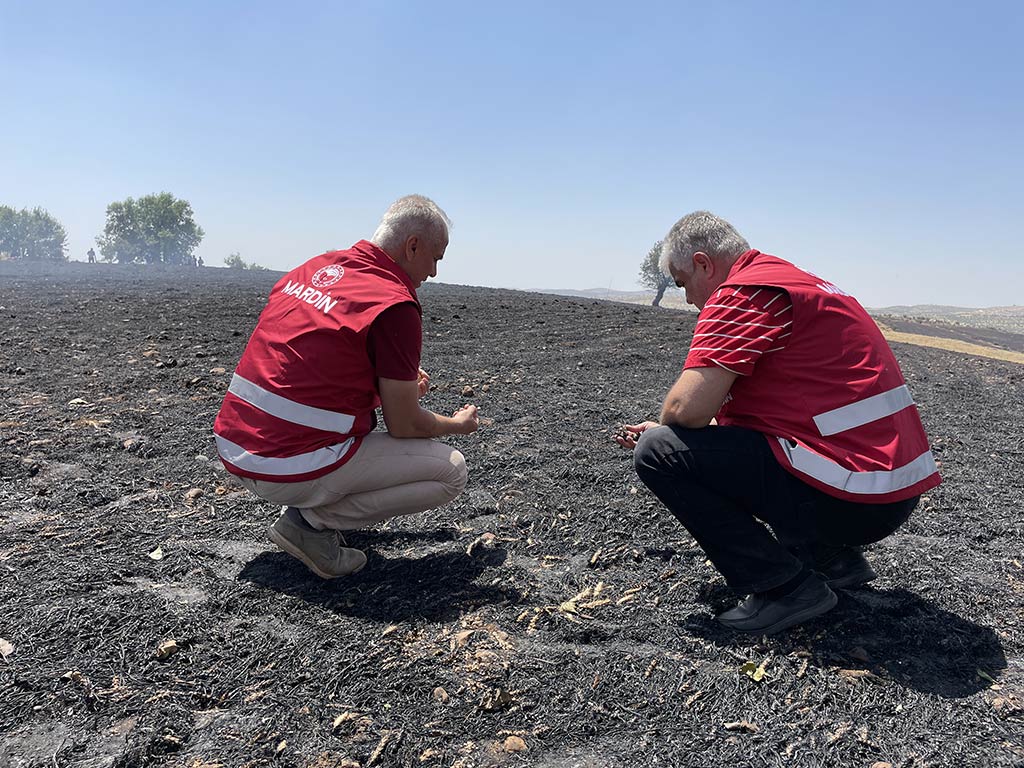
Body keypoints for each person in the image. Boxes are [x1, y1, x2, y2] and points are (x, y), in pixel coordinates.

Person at [617, 211, 940, 635]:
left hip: (852, 499)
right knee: (747, 444)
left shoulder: (743, 292)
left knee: (658, 453)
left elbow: (684, 411)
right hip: (887, 488)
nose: (690, 299)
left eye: (682, 283)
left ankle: (785, 589)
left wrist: (665, 434)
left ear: (703, 264)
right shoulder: (799, 282)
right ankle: (830, 559)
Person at [213, 195, 479, 578]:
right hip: (282, 462)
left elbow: (313, 367)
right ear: (413, 245)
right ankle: (309, 525)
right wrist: (458, 423)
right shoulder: (395, 304)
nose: (434, 272)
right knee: (451, 471)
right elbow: (404, 426)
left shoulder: (311, 269)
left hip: (234, 443)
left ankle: (309, 510)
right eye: (435, 256)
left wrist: (384, 386)